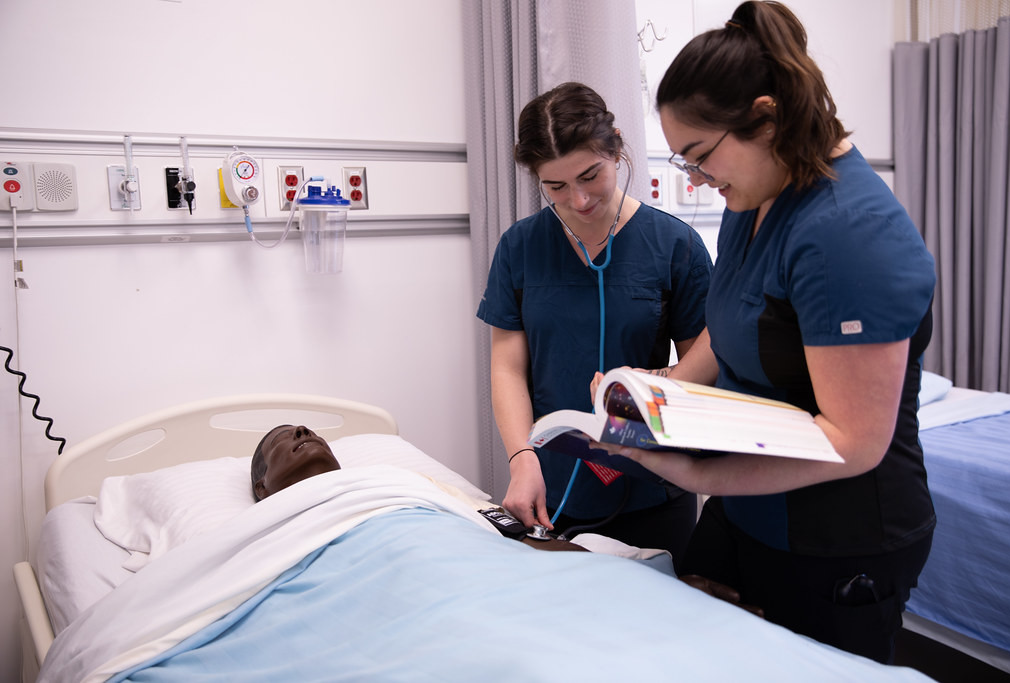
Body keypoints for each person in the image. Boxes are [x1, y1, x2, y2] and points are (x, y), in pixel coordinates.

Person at [609, 0, 935, 664]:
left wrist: (693, 471)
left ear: (765, 116)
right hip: (749, 512)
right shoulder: (753, 200)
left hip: (838, 537)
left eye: (699, 157)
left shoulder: (847, 232)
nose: (697, 180)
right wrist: (658, 388)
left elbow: (852, 442)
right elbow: (730, 325)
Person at [476, 82, 713, 573]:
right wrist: (522, 459)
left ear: (617, 148)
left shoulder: (675, 247)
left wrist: (649, 386)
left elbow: (706, 370)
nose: (579, 200)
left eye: (591, 175)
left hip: (654, 485)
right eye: (555, 186)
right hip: (549, 486)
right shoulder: (520, 248)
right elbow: (506, 369)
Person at [250, 424, 586, 551]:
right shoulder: (260, 544)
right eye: (283, 437)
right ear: (261, 488)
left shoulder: (396, 485)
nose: (304, 431)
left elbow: (498, 533)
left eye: (310, 431)